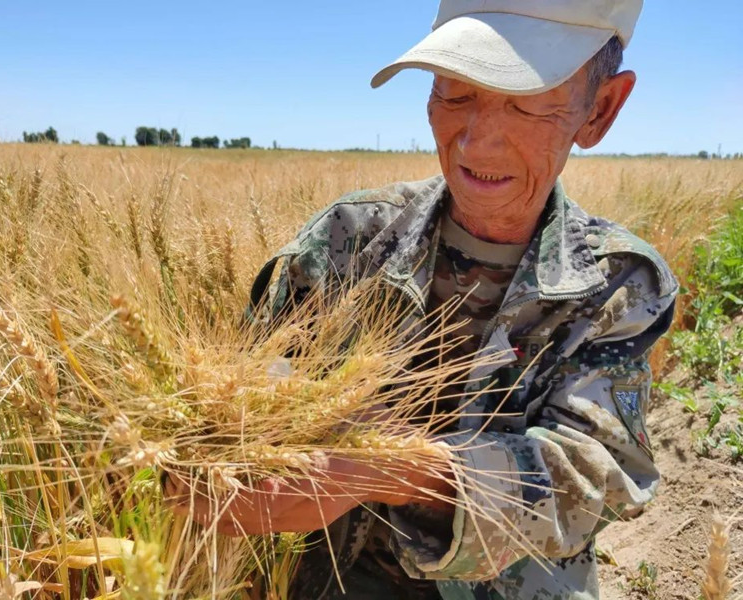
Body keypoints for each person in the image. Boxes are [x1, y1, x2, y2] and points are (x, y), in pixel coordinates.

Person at [168, 1, 678, 598]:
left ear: (600, 110)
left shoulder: (617, 282)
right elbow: (252, 372)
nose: (478, 143)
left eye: (527, 103)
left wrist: (387, 467)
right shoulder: (350, 236)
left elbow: (590, 481)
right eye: (455, 94)